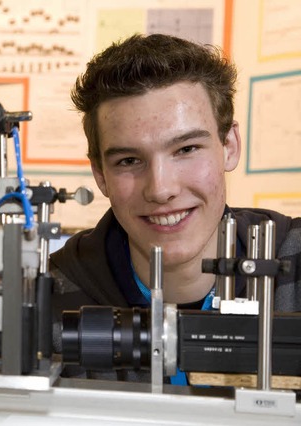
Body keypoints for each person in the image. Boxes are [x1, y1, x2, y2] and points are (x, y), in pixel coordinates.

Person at [50, 34, 301, 380]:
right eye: (128, 160)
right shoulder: (50, 298)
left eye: (186, 150)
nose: (161, 189)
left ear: (228, 145)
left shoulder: (295, 263)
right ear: (100, 175)